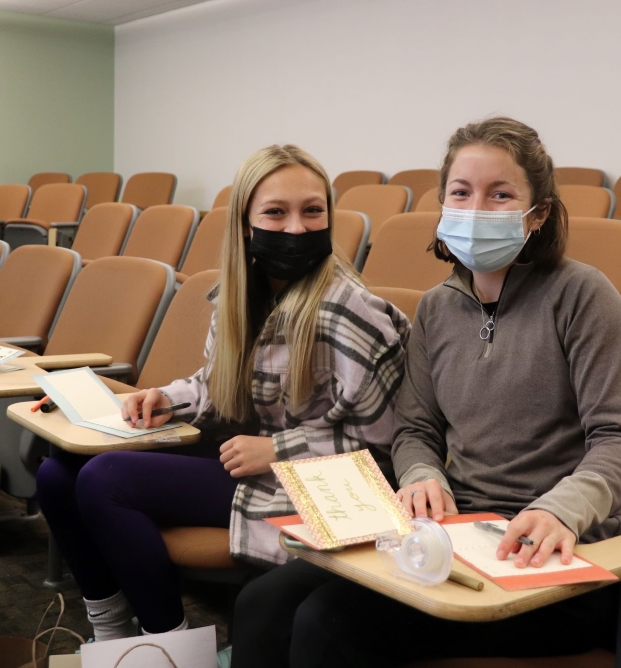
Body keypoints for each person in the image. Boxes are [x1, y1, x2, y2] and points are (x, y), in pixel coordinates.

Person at [231, 118, 621, 667]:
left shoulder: (582, 296)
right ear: (444, 204)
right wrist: (423, 475)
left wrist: (561, 512)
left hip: (556, 555)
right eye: (462, 192)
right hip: (457, 536)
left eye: (500, 195)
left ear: (539, 213)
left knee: (326, 628)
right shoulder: (436, 308)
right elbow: (415, 429)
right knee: (262, 604)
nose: (477, 208)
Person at [35, 144, 409, 642]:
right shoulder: (243, 294)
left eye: (312, 210)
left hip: (319, 487)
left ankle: (167, 644)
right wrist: (166, 398)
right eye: (276, 212)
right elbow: (217, 386)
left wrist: (278, 450)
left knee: (106, 477)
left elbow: (383, 453)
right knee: (56, 473)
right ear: (246, 224)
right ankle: (113, 633)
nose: (296, 229)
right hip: (249, 459)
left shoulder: (352, 312)